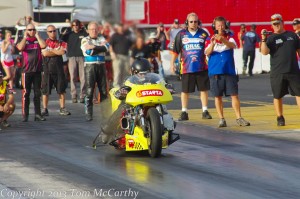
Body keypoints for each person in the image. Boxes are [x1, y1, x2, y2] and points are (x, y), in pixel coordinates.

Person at [99, 58, 175, 144]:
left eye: (146, 73)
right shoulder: (129, 80)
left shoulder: (156, 80)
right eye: (139, 73)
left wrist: (168, 87)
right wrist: (122, 91)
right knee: (123, 108)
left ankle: (168, 129)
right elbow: (121, 90)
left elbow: (165, 85)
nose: (143, 76)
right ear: (134, 72)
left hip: (153, 100)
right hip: (135, 103)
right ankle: (107, 130)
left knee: (164, 108)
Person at [205, 16, 250, 128]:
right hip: (215, 72)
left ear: (225, 26)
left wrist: (223, 40)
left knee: (234, 95)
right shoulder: (209, 39)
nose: (220, 27)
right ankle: (221, 119)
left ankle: (239, 117)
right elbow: (207, 52)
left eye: (222, 25)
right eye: (218, 25)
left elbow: (233, 46)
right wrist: (213, 43)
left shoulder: (230, 37)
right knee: (218, 96)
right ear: (214, 26)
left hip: (229, 71)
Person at [170, 12, 212, 121]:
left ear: (199, 22)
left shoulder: (204, 34)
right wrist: (172, 64)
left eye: (195, 21)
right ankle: (184, 112)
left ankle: (205, 110)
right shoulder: (181, 34)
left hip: (202, 67)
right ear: (187, 22)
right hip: (186, 67)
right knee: (185, 91)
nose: (193, 23)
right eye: (191, 21)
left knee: (203, 90)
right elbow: (175, 51)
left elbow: (209, 49)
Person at [260, 14, 300, 126]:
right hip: (277, 72)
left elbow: (299, 50)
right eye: (274, 24)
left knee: (299, 94)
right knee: (277, 96)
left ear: (282, 23)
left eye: (278, 23)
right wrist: (263, 39)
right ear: (271, 25)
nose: (276, 26)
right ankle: (280, 117)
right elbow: (264, 52)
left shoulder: (292, 35)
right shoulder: (271, 38)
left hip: (293, 70)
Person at [16, 23, 47, 122]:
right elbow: (20, 48)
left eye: (33, 29)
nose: (32, 31)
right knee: (26, 93)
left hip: (37, 70)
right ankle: (25, 115)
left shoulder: (37, 40)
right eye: (29, 30)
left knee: (37, 93)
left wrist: (37, 36)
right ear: (26, 31)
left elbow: (44, 45)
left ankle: (37, 114)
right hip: (26, 71)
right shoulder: (25, 41)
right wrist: (25, 37)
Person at [81, 21, 109, 121]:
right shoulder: (85, 39)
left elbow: (107, 48)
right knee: (89, 90)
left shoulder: (101, 38)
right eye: (92, 29)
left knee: (104, 91)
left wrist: (94, 47)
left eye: (95, 29)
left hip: (101, 66)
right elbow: (89, 52)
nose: (94, 31)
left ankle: (105, 113)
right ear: (88, 30)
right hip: (90, 66)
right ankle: (89, 113)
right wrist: (99, 48)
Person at [41, 25, 71, 117]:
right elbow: (45, 53)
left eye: (54, 31)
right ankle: (45, 109)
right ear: (47, 32)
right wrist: (55, 50)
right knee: (45, 90)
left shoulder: (61, 42)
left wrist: (51, 51)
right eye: (50, 31)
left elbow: (62, 52)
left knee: (61, 90)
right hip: (47, 69)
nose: (53, 33)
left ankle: (62, 108)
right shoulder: (44, 42)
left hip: (59, 69)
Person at [61, 19, 88, 103]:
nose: (75, 27)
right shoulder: (69, 34)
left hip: (82, 57)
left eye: (76, 25)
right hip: (72, 57)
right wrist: (66, 30)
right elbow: (61, 39)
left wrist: (84, 27)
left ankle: (82, 95)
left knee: (83, 77)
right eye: (73, 25)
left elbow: (88, 35)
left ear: (79, 26)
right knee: (73, 76)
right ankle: (74, 95)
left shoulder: (83, 34)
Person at [109, 23, 132, 88]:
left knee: (126, 72)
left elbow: (131, 45)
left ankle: (124, 86)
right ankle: (116, 87)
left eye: (122, 27)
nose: (121, 28)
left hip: (126, 57)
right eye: (120, 27)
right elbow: (110, 45)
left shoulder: (127, 35)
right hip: (117, 56)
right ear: (118, 28)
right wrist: (112, 53)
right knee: (117, 72)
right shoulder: (114, 36)